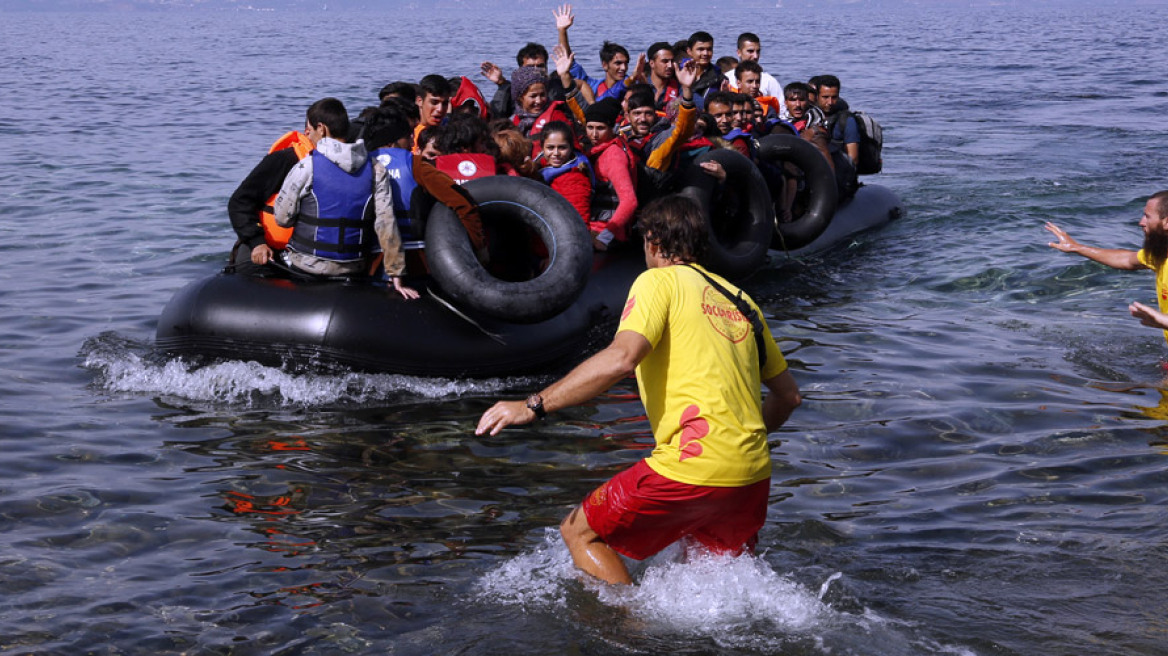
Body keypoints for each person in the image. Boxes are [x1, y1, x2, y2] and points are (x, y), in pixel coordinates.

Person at [475, 194, 801, 585]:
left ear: (652, 241)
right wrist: (737, 445)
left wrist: (533, 405)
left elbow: (621, 359)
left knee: (579, 532)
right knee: (713, 579)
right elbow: (788, 397)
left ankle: (629, 633)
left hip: (694, 464)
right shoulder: (741, 300)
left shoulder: (656, 281)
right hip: (752, 475)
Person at [272, 98, 417, 299]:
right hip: (353, 267)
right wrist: (396, 275)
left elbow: (282, 218)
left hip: (306, 265)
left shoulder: (307, 167)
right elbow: (386, 224)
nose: (308, 135)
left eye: (310, 129)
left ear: (321, 129)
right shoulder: (375, 169)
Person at [364, 105, 488, 267]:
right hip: (416, 261)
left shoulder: (359, 166)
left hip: (370, 263)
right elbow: (463, 202)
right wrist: (480, 249)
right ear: (392, 141)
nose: (411, 142)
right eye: (407, 136)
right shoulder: (416, 166)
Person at [1046, 191, 1168, 340]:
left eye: (1147, 216)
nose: (1141, 222)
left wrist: (1163, 320)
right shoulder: (1161, 254)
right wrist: (1077, 247)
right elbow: (1128, 260)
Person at [226, 101, 325, 267]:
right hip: (271, 248)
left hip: (313, 256)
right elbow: (239, 202)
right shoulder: (284, 160)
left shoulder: (348, 166)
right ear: (311, 131)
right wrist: (257, 242)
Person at [584, 98, 637, 248]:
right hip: (594, 227)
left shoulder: (614, 156)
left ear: (612, 127)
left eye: (600, 128)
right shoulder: (598, 150)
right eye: (590, 127)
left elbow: (630, 201)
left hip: (605, 233)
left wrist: (605, 237)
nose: (594, 134)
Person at [536, 120, 594, 239]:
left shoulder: (575, 178)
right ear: (542, 148)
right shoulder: (540, 169)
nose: (556, 153)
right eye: (550, 147)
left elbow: (579, 222)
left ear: (571, 148)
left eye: (562, 148)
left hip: (561, 246)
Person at [816, 75, 859, 197]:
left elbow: (853, 159)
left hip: (839, 178)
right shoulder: (809, 118)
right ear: (817, 96)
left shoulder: (847, 121)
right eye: (825, 97)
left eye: (834, 97)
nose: (829, 102)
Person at [724, 33, 784, 110]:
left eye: (758, 51)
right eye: (750, 51)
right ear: (739, 52)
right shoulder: (727, 79)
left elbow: (781, 111)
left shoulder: (769, 81)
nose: (755, 56)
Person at [685, 31, 722, 99]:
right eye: (700, 49)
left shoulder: (718, 76)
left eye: (709, 49)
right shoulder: (679, 72)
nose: (705, 53)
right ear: (689, 51)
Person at [646, 41, 679, 110]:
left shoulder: (680, 88)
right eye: (665, 61)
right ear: (652, 63)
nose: (670, 66)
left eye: (672, 61)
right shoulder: (639, 85)